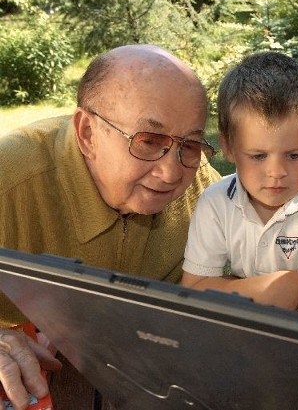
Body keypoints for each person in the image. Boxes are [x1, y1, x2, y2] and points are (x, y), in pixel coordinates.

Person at [0, 44, 221, 409]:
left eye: (191, 144)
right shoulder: (10, 177)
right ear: (87, 133)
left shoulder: (202, 187)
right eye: (149, 141)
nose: (171, 173)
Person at [180, 52, 298, 314]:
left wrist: (231, 291)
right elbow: (194, 287)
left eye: (294, 155)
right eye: (258, 156)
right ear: (228, 147)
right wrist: (261, 295)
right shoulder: (215, 202)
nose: (276, 172)